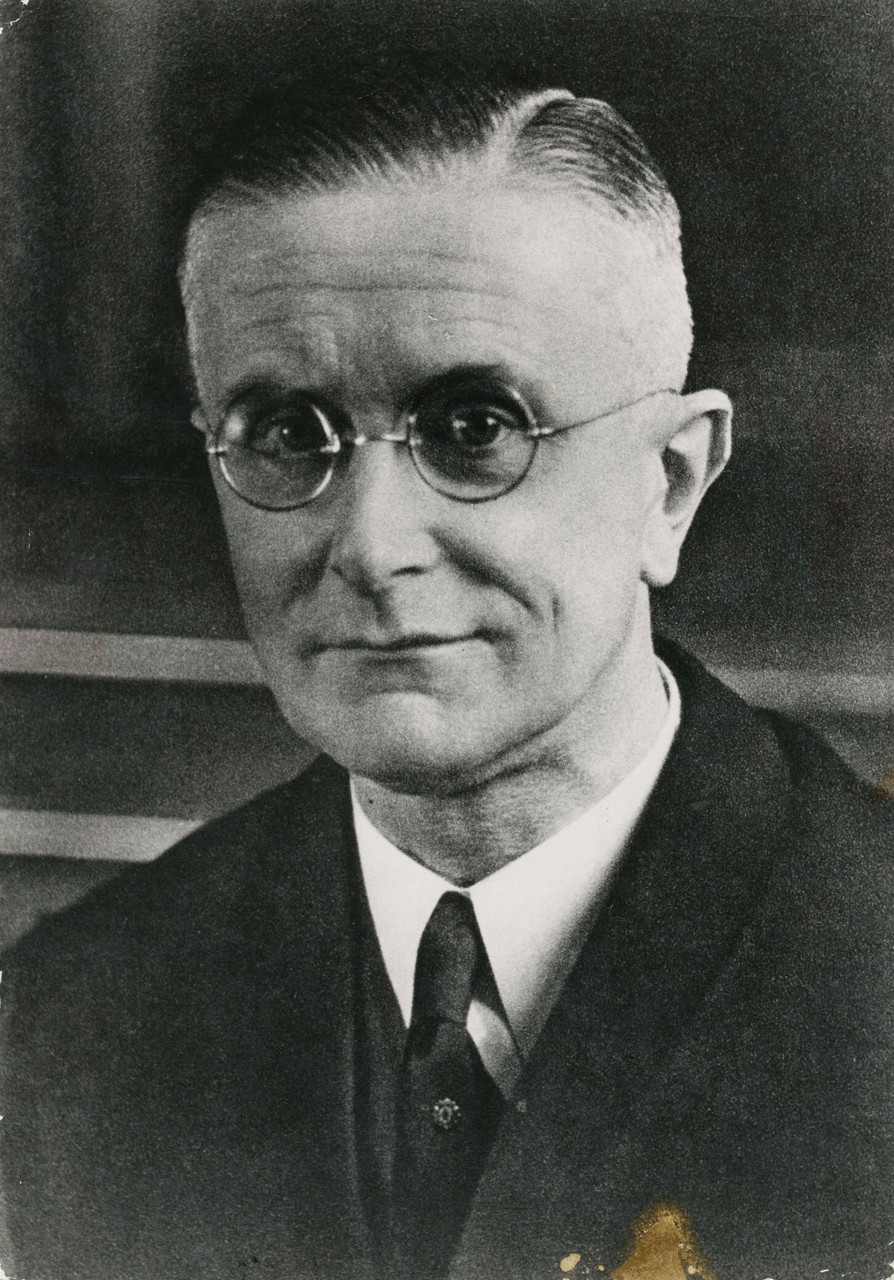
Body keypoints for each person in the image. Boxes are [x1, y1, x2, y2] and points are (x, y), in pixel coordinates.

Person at [1, 66, 891, 1280]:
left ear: (670, 483)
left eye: (476, 429)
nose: (371, 546)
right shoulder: (77, 1020)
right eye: (286, 434)